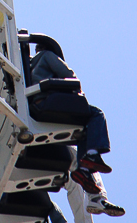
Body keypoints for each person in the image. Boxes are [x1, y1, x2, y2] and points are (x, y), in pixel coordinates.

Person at [30, 41, 113, 194]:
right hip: (50, 100)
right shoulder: (48, 56)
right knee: (95, 114)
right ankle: (92, 155)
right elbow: (69, 76)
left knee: (80, 126)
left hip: (37, 106)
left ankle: (83, 169)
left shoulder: (28, 65)